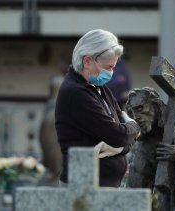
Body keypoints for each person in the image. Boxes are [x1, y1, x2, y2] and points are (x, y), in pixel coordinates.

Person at [55, 29, 141, 187]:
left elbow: (121, 136)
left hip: (105, 185)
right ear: (87, 61)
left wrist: (119, 148)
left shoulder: (98, 86)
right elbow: (118, 135)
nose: (111, 73)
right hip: (85, 186)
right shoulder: (76, 93)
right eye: (108, 67)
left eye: (113, 67)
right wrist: (134, 126)